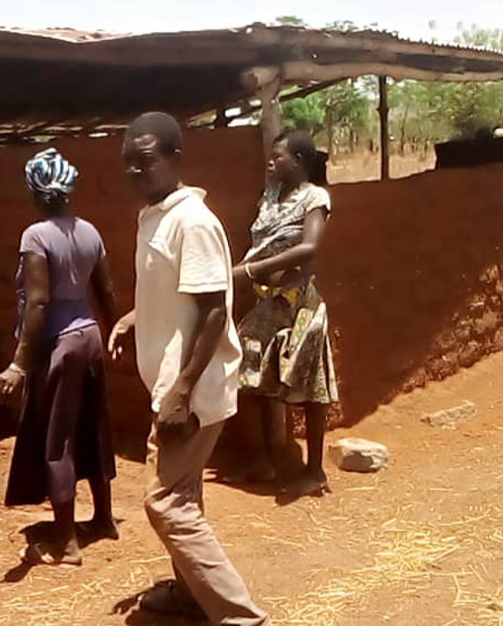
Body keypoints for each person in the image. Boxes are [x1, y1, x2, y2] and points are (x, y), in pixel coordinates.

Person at [108, 112, 268, 625]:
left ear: (176, 158)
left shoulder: (192, 222)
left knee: (166, 505)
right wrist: (138, 316)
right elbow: (177, 291)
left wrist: (180, 390)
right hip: (175, 385)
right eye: (128, 163)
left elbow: (214, 309)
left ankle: (242, 618)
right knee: (186, 493)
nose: (135, 172)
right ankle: (190, 593)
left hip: (192, 389)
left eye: (146, 161)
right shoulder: (155, 215)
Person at [0, 148, 119, 566]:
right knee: (94, 427)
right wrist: (115, 330)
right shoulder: (90, 232)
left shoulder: (36, 236)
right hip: (90, 338)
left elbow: (39, 303)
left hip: (59, 345)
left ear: (35, 192)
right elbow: (106, 292)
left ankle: (66, 542)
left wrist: (18, 364)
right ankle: (103, 519)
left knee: (57, 441)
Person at [233, 130, 339, 498]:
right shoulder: (271, 197)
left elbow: (309, 247)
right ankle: (266, 461)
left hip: (298, 305)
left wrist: (249, 272)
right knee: (258, 379)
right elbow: (260, 245)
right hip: (267, 303)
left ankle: (315, 471)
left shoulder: (315, 198)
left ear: (300, 160)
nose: (271, 162)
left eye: (278, 157)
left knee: (310, 387)